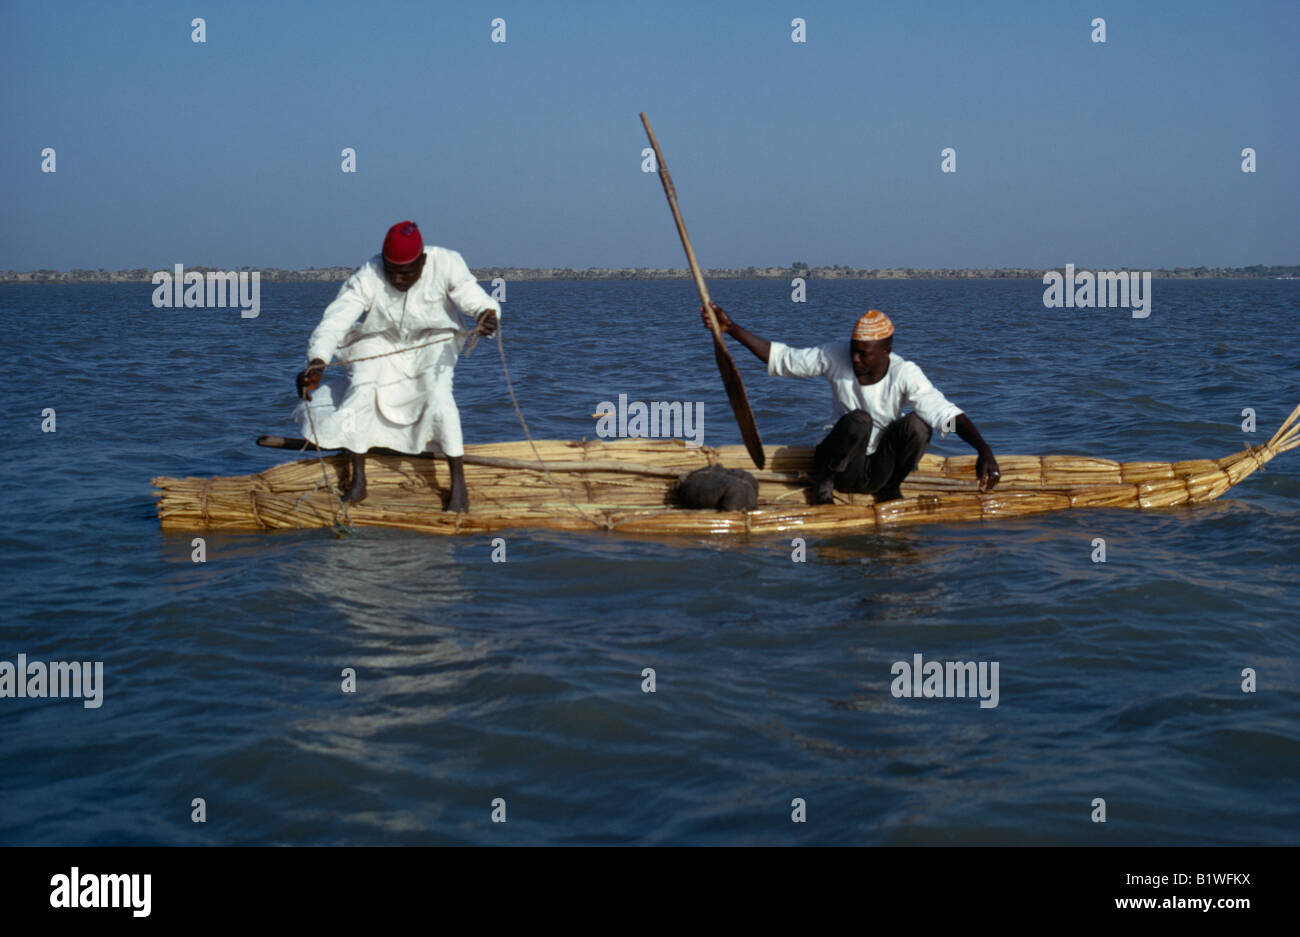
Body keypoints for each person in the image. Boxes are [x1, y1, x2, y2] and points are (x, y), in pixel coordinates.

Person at [702, 303, 1000, 504]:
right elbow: (783, 359)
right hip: (840, 463)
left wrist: (983, 450)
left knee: (919, 425)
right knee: (860, 420)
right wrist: (731, 329)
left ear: (886, 350)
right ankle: (824, 484)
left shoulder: (905, 373)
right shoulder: (835, 355)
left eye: (864, 354)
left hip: (876, 469)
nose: (855, 359)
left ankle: (889, 488)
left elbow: (945, 414)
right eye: (853, 351)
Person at [295, 221, 500, 511]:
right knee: (362, 389)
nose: (398, 279)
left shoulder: (446, 262)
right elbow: (337, 320)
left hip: (432, 341)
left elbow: (474, 298)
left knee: (438, 395)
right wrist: (317, 361)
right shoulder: (369, 273)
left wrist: (487, 315)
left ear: (423, 261)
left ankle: (458, 485)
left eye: (406, 272)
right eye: (392, 272)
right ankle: (359, 481)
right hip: (381, 340)